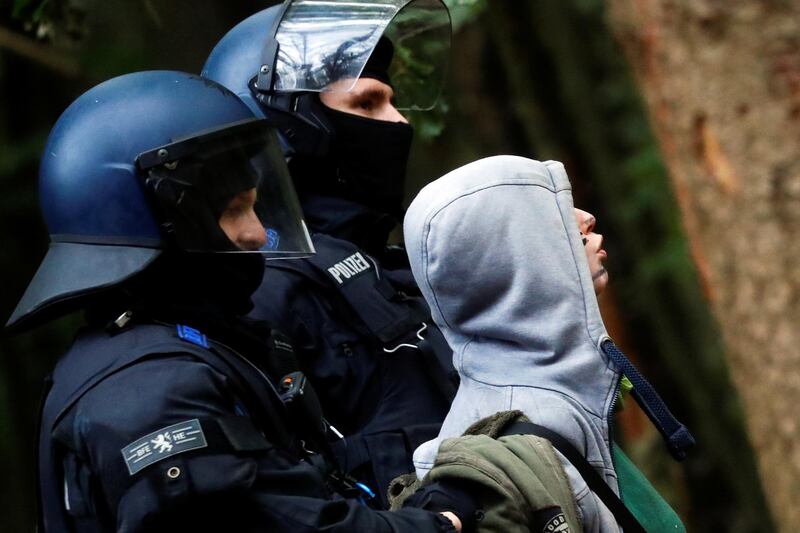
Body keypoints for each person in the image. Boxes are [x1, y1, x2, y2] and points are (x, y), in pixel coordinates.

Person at [7, 70, 473, 532]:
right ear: (152, 222)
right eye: (233, 211)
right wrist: (451, 520)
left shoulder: (183, 347)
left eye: (254, 205)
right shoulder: (148, 391)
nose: (255, 233)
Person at [202, 0, 457, 506]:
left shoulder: (387, 268)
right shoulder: (259, 293)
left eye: (393, 101)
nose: (400, 122)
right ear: (290, 130)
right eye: (367, 104)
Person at [403, 156, 694, 532]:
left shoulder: (554, 392)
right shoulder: (520, 434)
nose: (586, 217)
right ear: (506, 256)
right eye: (548, 212)